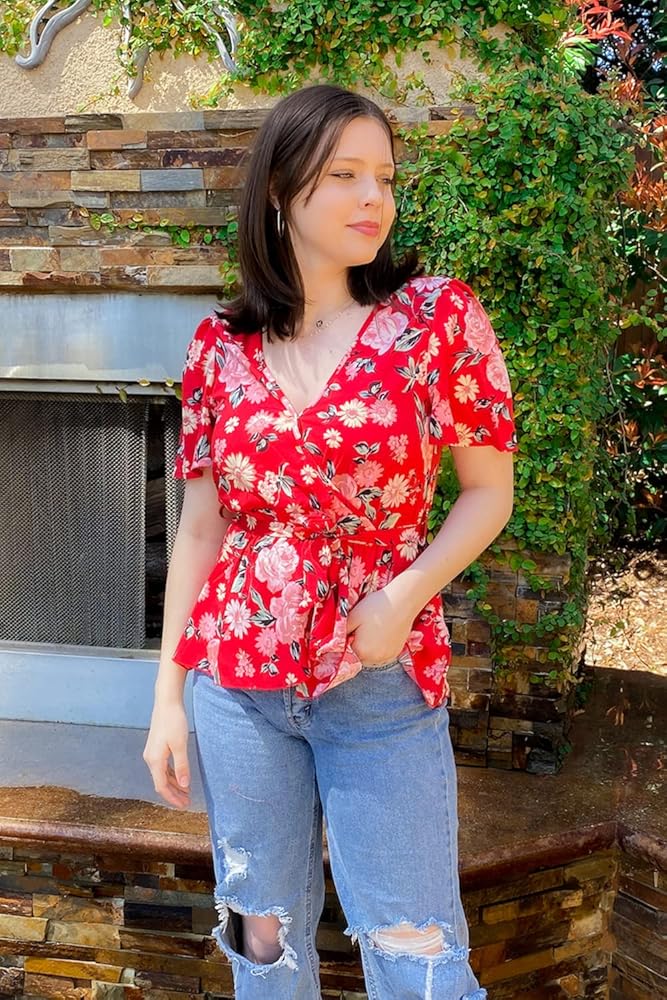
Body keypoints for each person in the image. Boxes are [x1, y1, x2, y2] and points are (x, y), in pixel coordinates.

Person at [143, 82, 518, 1000]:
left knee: (413, 940)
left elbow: (487, 493)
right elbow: (201, 527)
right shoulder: (217, 347)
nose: (372, 198)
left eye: (384, 177)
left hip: (377, 677)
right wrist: (166, 700)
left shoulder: (434, 320)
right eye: (344, 174)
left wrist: (401, 597)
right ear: (280, 189)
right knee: (259, 929)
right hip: (237, 683)